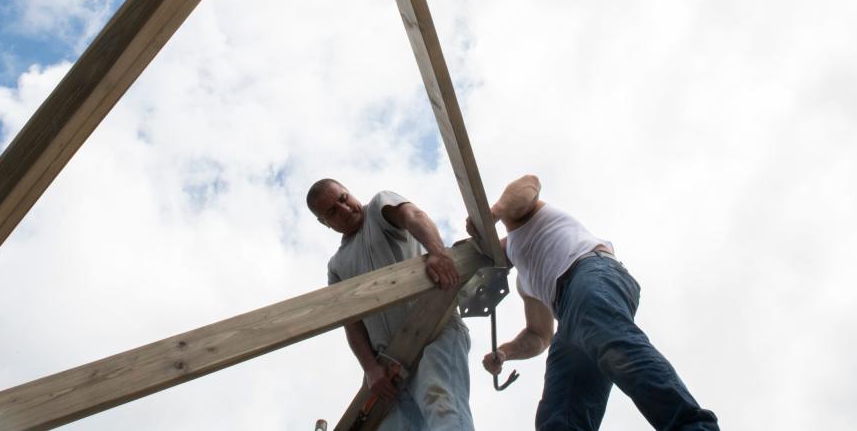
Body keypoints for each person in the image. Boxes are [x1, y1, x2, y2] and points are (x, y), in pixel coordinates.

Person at [478, 175, 719, 431]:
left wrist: (494, 213)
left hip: (590, 271)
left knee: (612, 343)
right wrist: (505, 352)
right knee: (560, 411)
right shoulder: (525, 283)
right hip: (569, 313)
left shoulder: (516, 220)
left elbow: (530, 183)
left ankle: (693, 426)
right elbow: (539, 335)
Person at [307, 178, 475, 430]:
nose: (344, 209)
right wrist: (371, 368)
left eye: (343, 198)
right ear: (325, 223)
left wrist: (437, 252)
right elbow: (352, 326)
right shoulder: (338, 266)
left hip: (434, 330)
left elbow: (413, 215)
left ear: (349, 192)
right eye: (332, 211)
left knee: (441, 405)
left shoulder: (378, 208)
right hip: (392, 367)